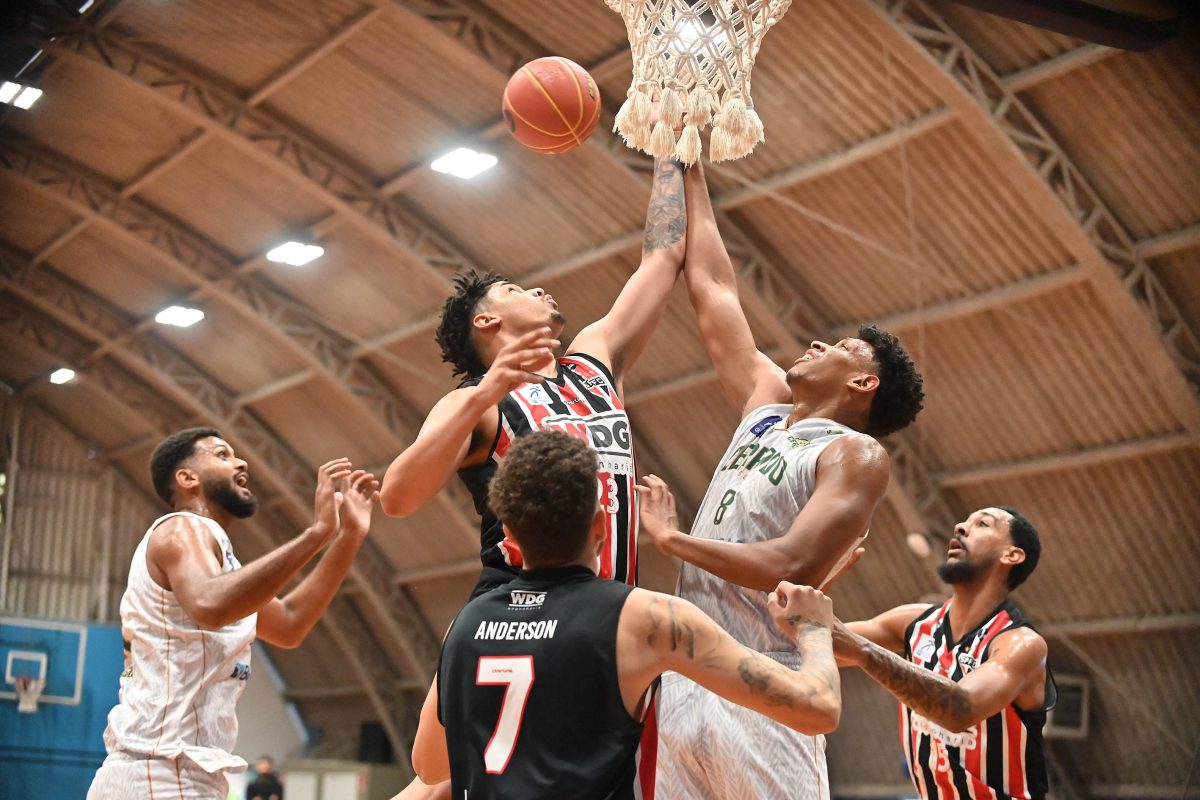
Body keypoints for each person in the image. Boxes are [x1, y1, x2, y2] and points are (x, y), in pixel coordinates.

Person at [638, 161, 926, 799]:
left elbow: (788, 564)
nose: (819, 344)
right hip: (685, 681)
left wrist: (673, 541)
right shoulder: (766, 404)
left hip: (764, 678)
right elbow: (714, 288)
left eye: (841, 347)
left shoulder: (854, 454)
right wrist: (686, 164)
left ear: (863, 383)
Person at [410, 430, 842, 799]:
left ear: (508, 534)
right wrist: (814, 629)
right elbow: (817, 708)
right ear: (600, 525)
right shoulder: (645, 619)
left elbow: (430, 765)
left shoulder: (464, 624)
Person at [379, 156, 687, 597]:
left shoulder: (592, 362)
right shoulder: (474, 403)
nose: (538, 290)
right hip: (525, 610)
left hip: (608, 605)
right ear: (485, 321)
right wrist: (482, 395)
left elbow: (663, 258)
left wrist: (669, 154)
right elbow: (396, 499)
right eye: (514, 291)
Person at [87, 428, 378, 800]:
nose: (241, 462)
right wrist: (317, 532)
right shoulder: (181, 529)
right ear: (187, 478)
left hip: (171, 771)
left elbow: (290, 623)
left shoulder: (219, 566)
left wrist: (349, 536)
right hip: (161, 770)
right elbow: (210, 606)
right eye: (222, 455)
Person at [832, 507, 1055, 800]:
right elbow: (816, 647)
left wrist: (863, 652)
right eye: (965, 521)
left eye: (983, 523)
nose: (960, 526)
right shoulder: (913, 622)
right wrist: (817, 584)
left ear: (1011, 555)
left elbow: (960, 710)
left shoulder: (1021, 644)